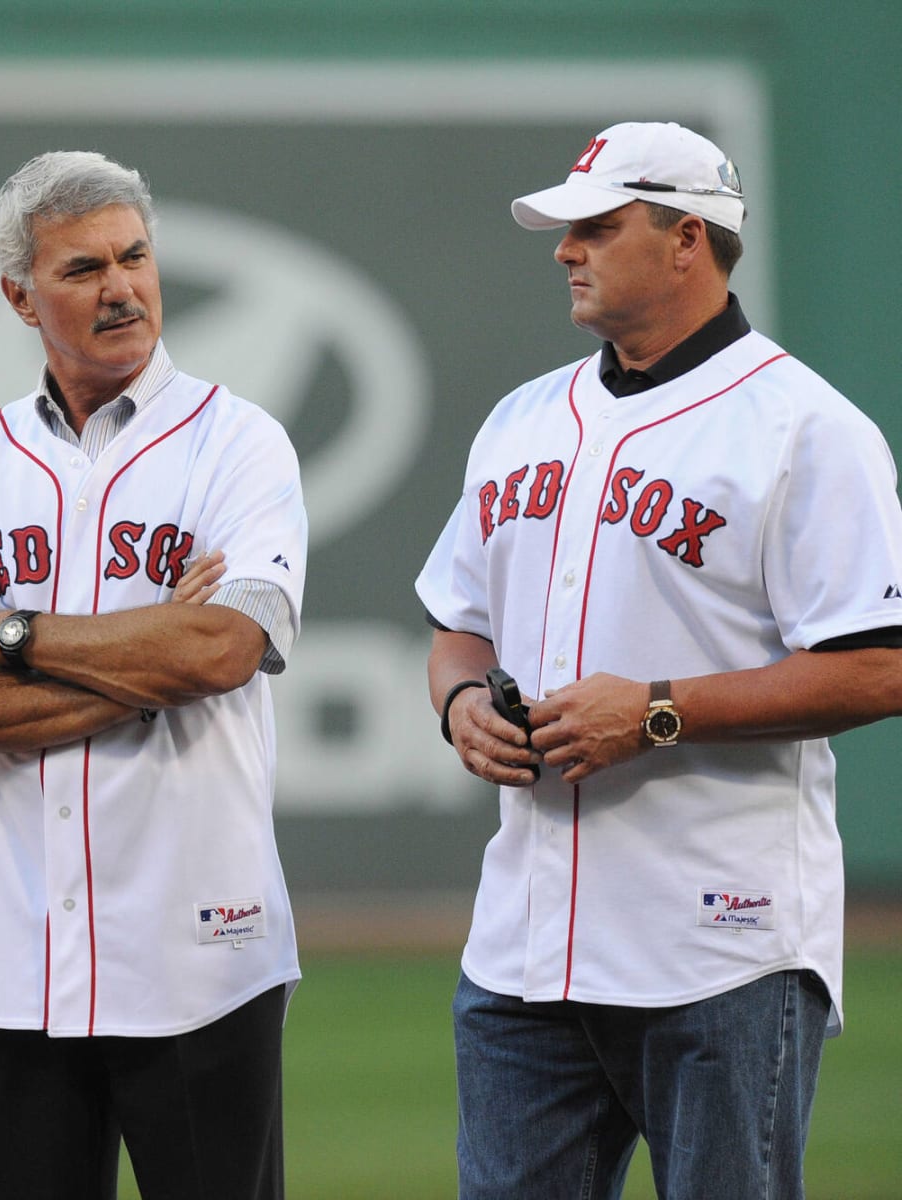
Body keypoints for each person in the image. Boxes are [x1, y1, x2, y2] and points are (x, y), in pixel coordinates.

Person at [415, 120, 902, 1199]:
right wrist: (457, 702)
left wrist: (658, 712)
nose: (564, 249)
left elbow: (878, 665)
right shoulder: (523, 417)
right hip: (525, 948)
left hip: (719, 949)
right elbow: (457, 618)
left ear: (688, 238)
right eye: (564, 228)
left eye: (595, 225)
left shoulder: (804, 429)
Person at [0, 150, 307, 1200]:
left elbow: (223, 650)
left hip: (203, 955)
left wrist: (13, 635)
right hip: (8, 966)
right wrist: (149, 651)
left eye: (135, 257)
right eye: (82, 269)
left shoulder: (237, 443)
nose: (120, 286)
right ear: (19, 296)